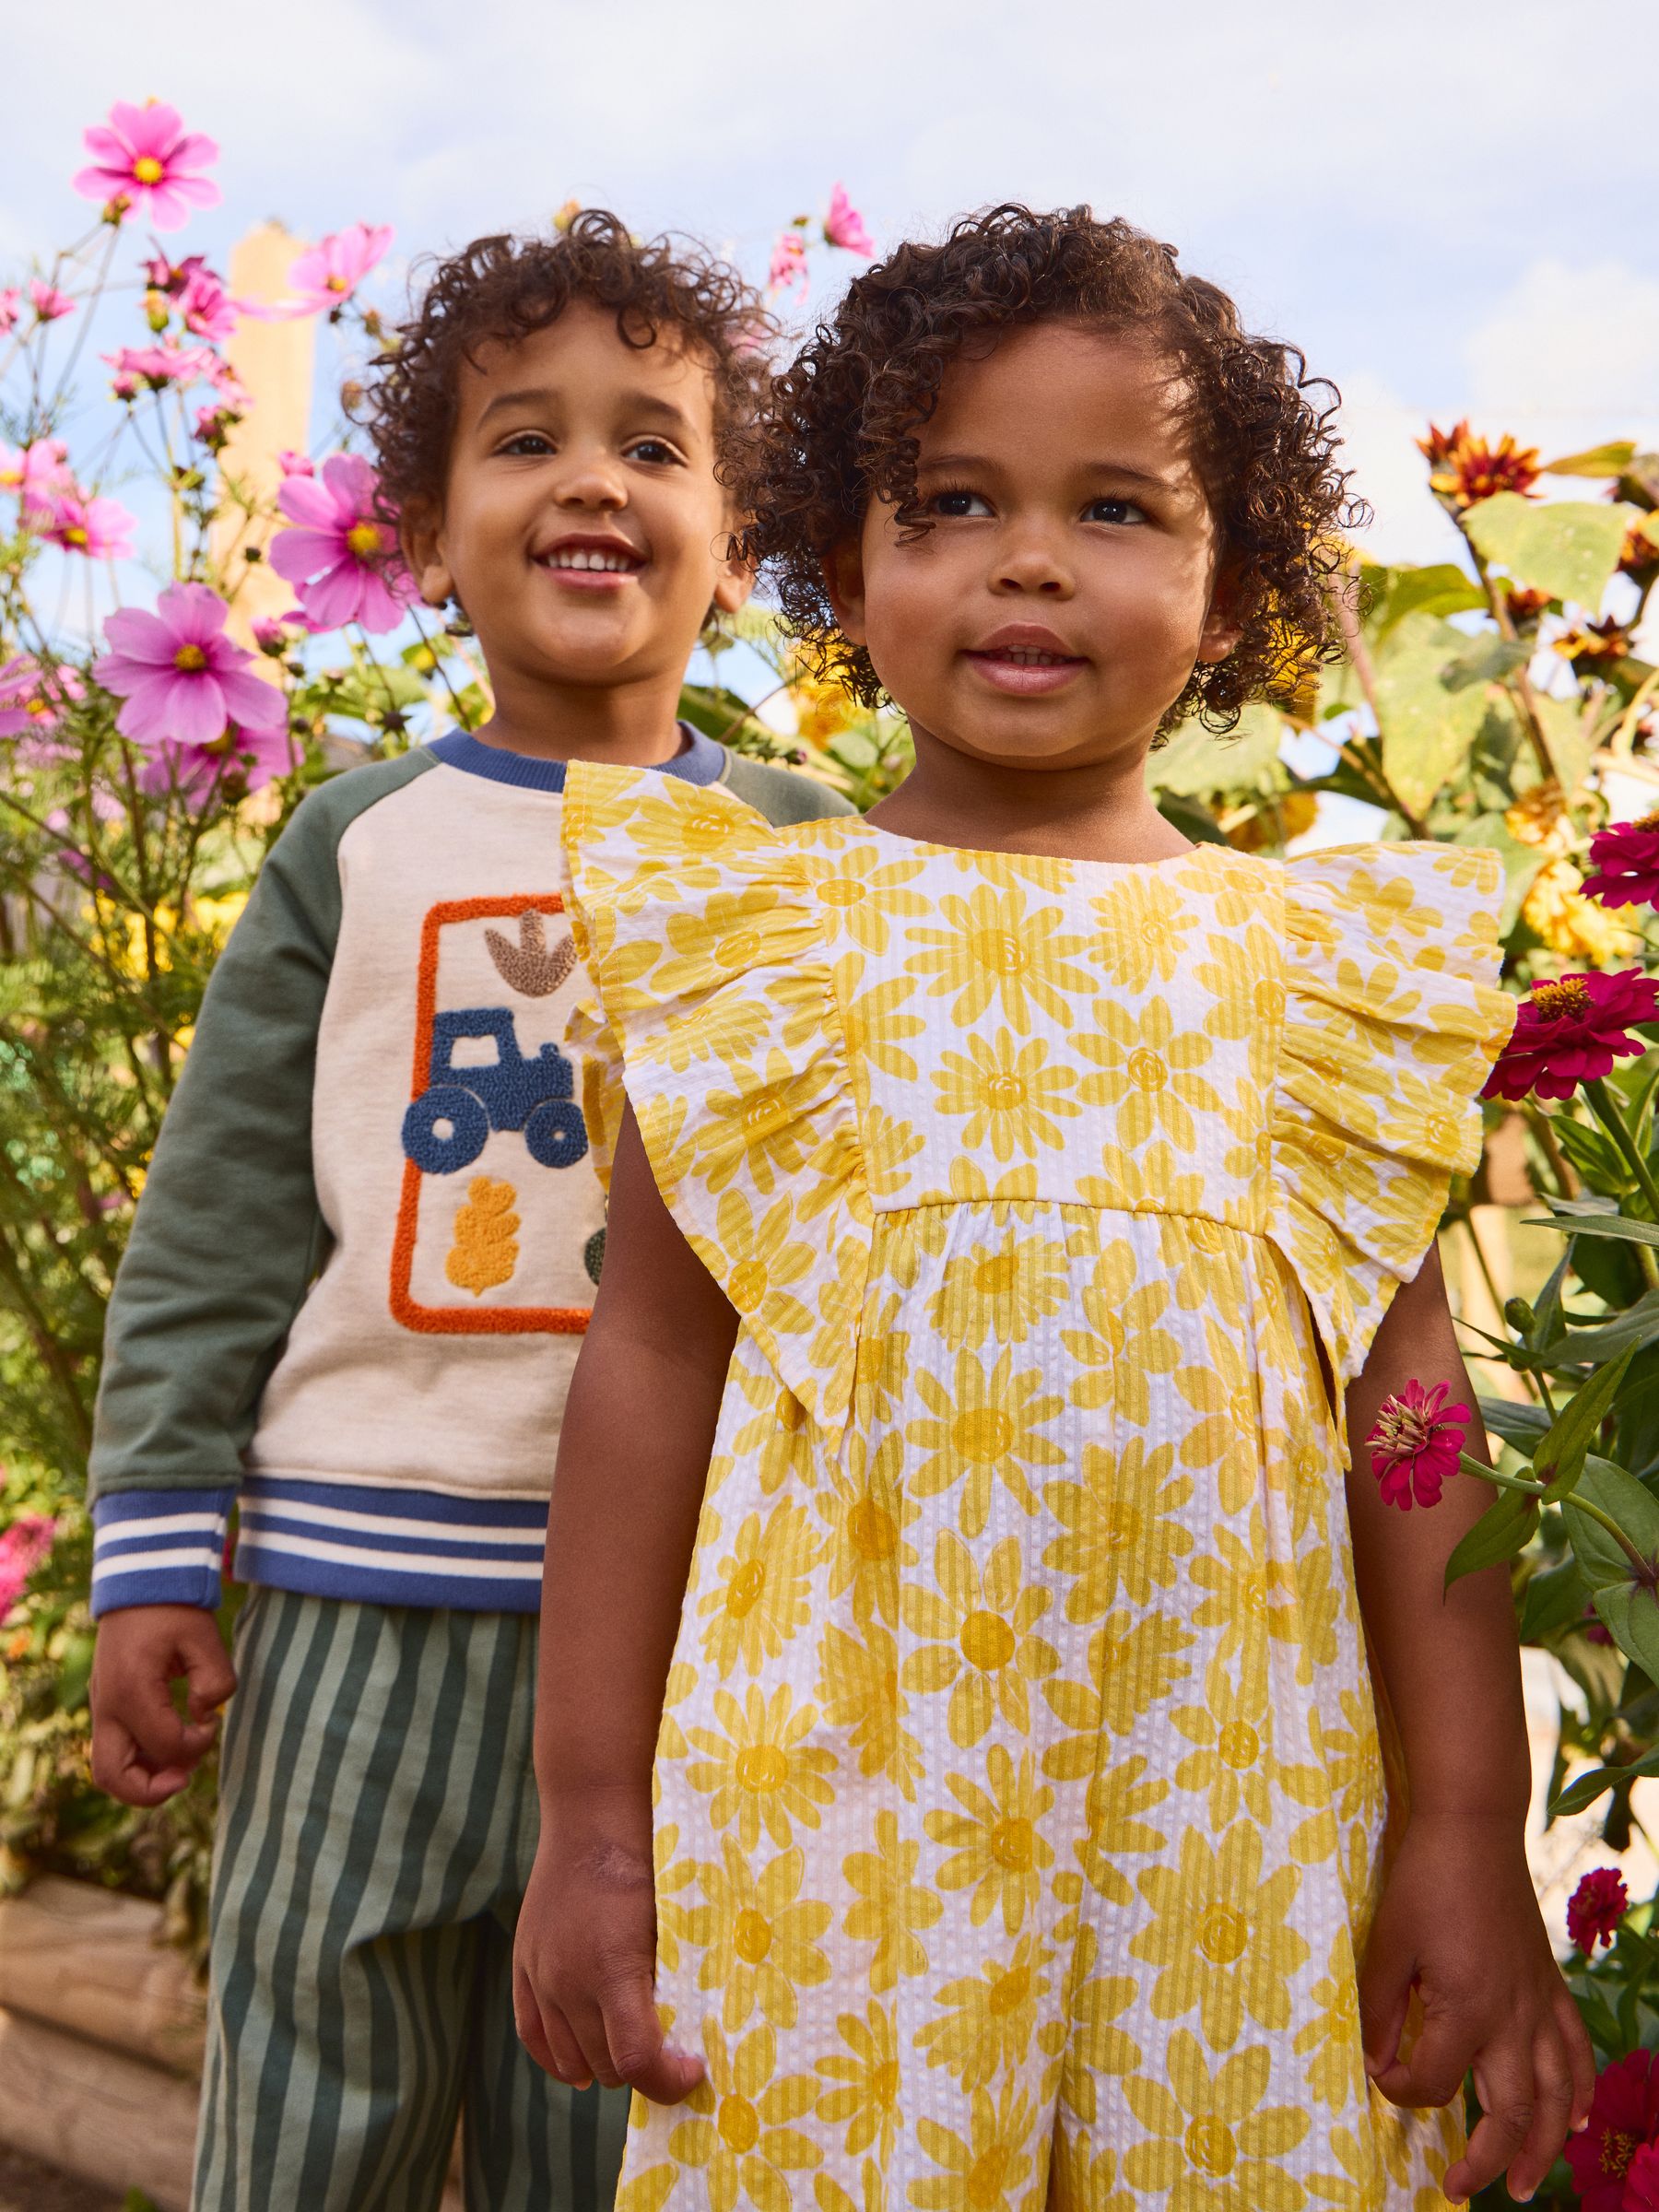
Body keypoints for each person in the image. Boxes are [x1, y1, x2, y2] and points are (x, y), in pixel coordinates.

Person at [512, 205, 1593, 2211]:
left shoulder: (1311, 971)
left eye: (1114, 507)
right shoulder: (766, 940)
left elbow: (1413, 1420)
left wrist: (1466, 1821)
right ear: (845, 563)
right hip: (841, 1828)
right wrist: (592, 1822)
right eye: (952, 501)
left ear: (1232, 584)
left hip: (1240, 1831)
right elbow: (650, 1364)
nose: (1027, 557)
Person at [85, 211, 853, 2212]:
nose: (594, 476)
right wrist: (158, 1547)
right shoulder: (357, 842)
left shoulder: (812, 857)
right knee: (309, 2095)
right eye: (526, 440)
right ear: (428, 534)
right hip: (356, 1590)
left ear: (739, 536)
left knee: (615, 2121)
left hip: (699, 1625)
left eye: (655, 445)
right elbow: (222, 1216)